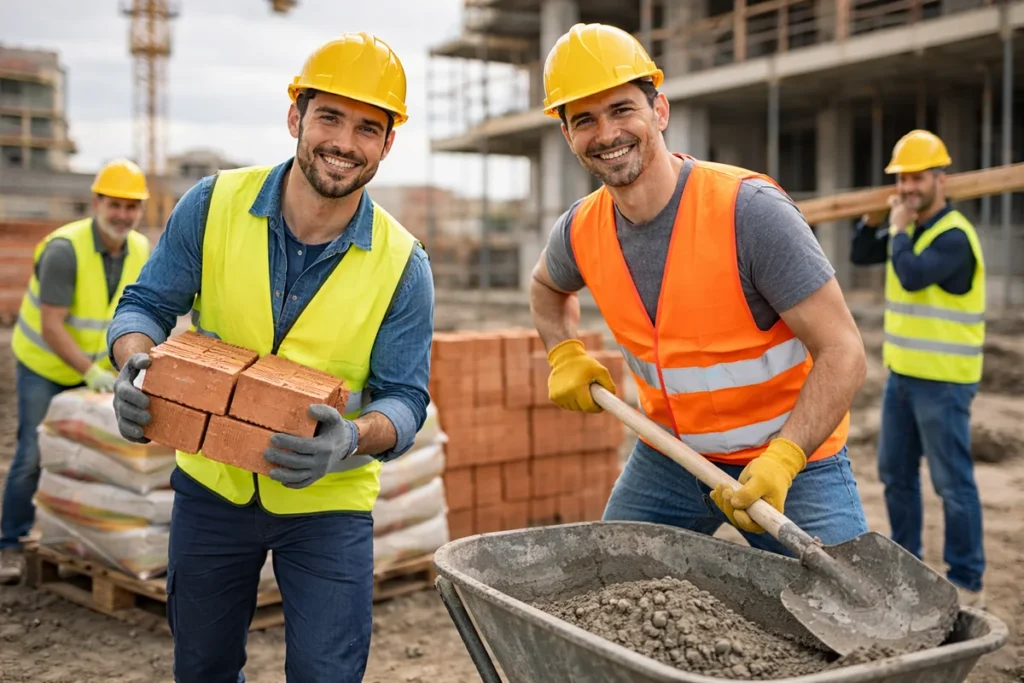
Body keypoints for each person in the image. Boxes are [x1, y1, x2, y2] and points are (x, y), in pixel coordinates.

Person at [105, 32, 434, 683]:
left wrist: (351, 439)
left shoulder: (404, 263)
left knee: (326, 673)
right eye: (329, 117)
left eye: (368, 127)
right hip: (211, 491)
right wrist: (133, 362)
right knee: (202, 665)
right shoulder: (212, 204)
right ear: (296, 117)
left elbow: (407, 398)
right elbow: (143, 303)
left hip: (328, 507)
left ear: (388, 143)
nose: (344, 141)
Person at [529, 23, 870, 556]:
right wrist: (564, 351)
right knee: (613, 585)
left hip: (792, 462)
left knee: (845, 608)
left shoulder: (749, 213)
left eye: (622, 109)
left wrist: (785, 459)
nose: (606, 133)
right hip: (670, 456)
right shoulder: (579, 230)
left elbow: (844, 352)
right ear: (568, 137)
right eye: (584, 120)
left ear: (659, 111)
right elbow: (545, 287)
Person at [851, 129, 986, 608]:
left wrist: (899, 225)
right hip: (903, 379)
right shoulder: (909, 229)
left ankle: (967, 577)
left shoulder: (953, 238)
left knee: (952, 483)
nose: (908, 186)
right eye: (902, 178)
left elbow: (909, 271)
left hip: (945, 383)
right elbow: (862, 254)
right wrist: (873, 223)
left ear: (940, 179)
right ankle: (908, 563)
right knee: (896, 474)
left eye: (917, 177)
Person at [0, 158, 151, 585]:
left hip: (97, 367)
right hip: (45, 364)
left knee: (93, 453)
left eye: (131, 206)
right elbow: (51, 325)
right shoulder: (65, 250)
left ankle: (75, 537)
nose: (123, 215)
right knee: (33, 451)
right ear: (96, 202)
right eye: (115, 204)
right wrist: (88, 371)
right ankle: (10, 544)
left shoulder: (139, 248)